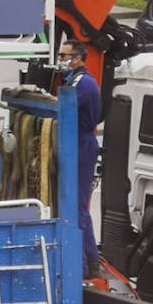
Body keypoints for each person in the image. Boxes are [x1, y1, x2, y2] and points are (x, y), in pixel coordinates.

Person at [58, 40, 102, 279]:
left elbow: (65, 106)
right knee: (74, 205)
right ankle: (89, 260)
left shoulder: (84, 83)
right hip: (73, 143)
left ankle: (87, 263)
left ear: (78, 57)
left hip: (81, 145)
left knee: (77, 206)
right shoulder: (72, 80)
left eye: (64, 55)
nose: (60, 58)